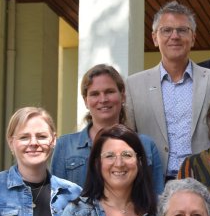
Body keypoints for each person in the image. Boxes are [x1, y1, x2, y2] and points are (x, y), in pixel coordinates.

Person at [126, 1, 210, 179]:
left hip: (205, 179)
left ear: (193, 38)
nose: (175, 36)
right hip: (153, 183)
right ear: (154, 38)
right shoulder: (134, 85)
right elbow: (128, 140)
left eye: (182, 30)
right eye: (166, 30)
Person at [52, 64, 165, 195]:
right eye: (95, 94)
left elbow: (158, 202)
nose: (103, 99)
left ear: (122, 96)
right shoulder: (65, 146)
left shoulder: (146, 145)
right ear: (85, 101)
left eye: (109, 92)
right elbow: (56, 202)